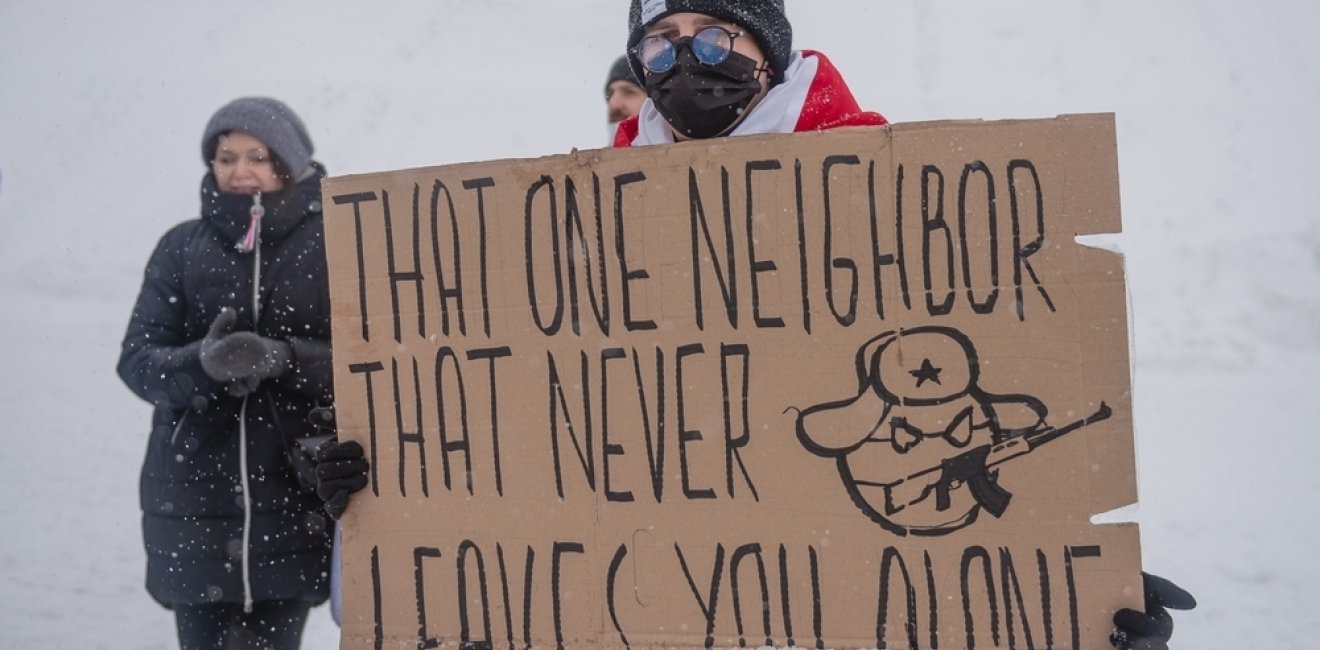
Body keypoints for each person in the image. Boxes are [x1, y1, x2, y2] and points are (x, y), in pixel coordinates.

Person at [317, 2, 1196, 647]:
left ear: (766, 52)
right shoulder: (579, 229)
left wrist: (1065, 592)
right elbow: (550, 424)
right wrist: (389, 496)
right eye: (657, 40)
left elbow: (1004, 391)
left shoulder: (890, 198)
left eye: (710, 35)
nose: (681, 58)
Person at [118, 96, 334, 650]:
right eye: (225, 157)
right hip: (193, 503)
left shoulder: (335, 240)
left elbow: (369, 361)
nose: (239, 171)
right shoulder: (181, 248)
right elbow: (138, 361)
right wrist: (201, 364)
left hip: (294, 498)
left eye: (256, 156)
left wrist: (286, 358)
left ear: (289, 161)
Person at [605, 54, 647, 144]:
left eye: (629, 92)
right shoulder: (599, 157)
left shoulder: (678, 154)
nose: (614, 104)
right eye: (610, 94)